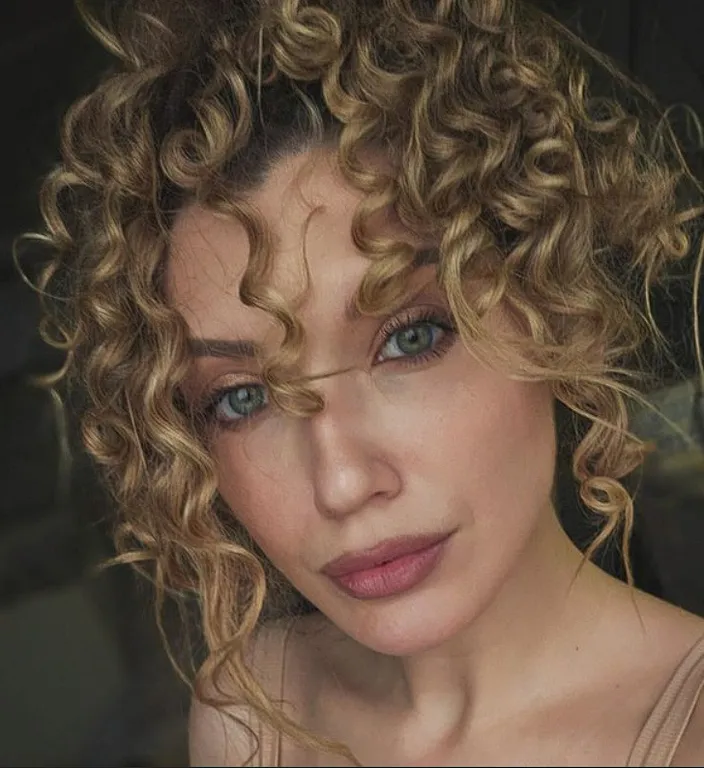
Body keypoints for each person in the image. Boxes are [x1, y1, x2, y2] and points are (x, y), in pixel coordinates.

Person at [27, 0, 704, 764]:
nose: (342, 481)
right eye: (242, 397)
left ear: (554, 304)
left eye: (410, 338)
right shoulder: (254, 712)